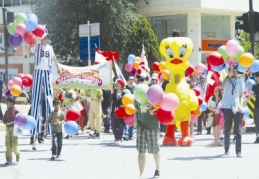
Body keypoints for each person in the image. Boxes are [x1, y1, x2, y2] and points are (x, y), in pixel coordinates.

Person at [28, 32, 60, 150]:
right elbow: (29, 50)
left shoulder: (50, 48)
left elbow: (54, 57)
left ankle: (52, 136)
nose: (44, 40)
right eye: (43, 38)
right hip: (38, 72)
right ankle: (33, 135)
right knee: (35, 103)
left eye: (46, 38)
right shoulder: (36, 47)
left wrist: (57, 67)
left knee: (48, 100)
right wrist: (29, 39)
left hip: (46, 72)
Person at [134, 75, 160, 178]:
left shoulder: (153, 93)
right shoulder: (137, 94)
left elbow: (159, 109)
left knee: (154, 150)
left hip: (152, 125)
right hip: (141, 125)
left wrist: (153, 110)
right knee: (141, 151)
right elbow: (135, 110)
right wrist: (136, 122)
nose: (141, 82)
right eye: (139, 80)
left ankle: (157, 169)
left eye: (143, 80)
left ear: (148, 81)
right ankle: (141, 174)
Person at [221, 66, 244, 158]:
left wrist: (241, 105)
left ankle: (238, 151)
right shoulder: (226, 80)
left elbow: (242, 94)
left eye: (235, 71)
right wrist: (227, 76)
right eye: (232, 71)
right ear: (230, 72)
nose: (234, 72)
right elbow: (222, 87)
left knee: (238, 130)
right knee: (227, 129)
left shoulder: (240, 81)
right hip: (227, 106)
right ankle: (226, 149)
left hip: (237, 106)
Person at [2, 97, 20, 165]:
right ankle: (9, 159)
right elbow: (4, 119)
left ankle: (17, 154)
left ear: (12, 103)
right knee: (8, 144)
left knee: (14, 144)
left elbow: (18, 120)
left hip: (14, 129)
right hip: (8, 129)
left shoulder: (16, 111)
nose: (7, 104)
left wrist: (11, 123)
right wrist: (5, 122)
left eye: (8, 103)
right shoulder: (7, 111)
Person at [111, 79, 126, 144]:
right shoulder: (114, 92)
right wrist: (111, 94)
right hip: (114, 110)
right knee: (113, 125)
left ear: (121, 85)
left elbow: (126, 101)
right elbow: (110, 101)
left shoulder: (124, 93)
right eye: (116, 84)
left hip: (121, 111)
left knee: (121, 125)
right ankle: (116, 137)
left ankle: (119, 138)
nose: (117, 85)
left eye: (118, 84)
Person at [249, 72, 259, 143]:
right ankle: (258, 137)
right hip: (257, 105)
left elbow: (250, 94)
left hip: (257, 106)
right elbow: (250, 94)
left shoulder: (255, 85)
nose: (255, 78)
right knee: (256, 121)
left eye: (256, 77)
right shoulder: (255, 85)